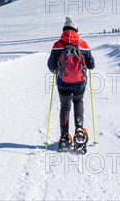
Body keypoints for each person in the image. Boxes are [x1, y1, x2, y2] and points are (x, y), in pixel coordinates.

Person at [47, 15, 95, 150]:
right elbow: (91, 65)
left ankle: (64, 137)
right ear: (76, 30)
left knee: (65, 106)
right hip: (80, 82)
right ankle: (79, 130)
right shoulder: (83, 44)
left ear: (63, 30)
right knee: (78, 102)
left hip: (63, 82)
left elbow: (51, 66)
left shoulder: (57, 45)